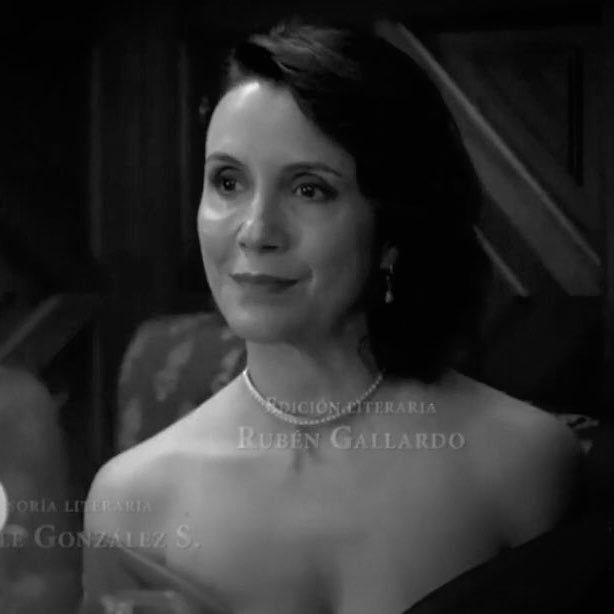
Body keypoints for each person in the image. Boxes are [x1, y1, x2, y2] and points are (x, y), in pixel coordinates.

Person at [82, 14, 584, 614]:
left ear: (393, 227)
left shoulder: (523, 461)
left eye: (309, 189)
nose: (256, 231)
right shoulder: (131, 501)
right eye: (228, 182)